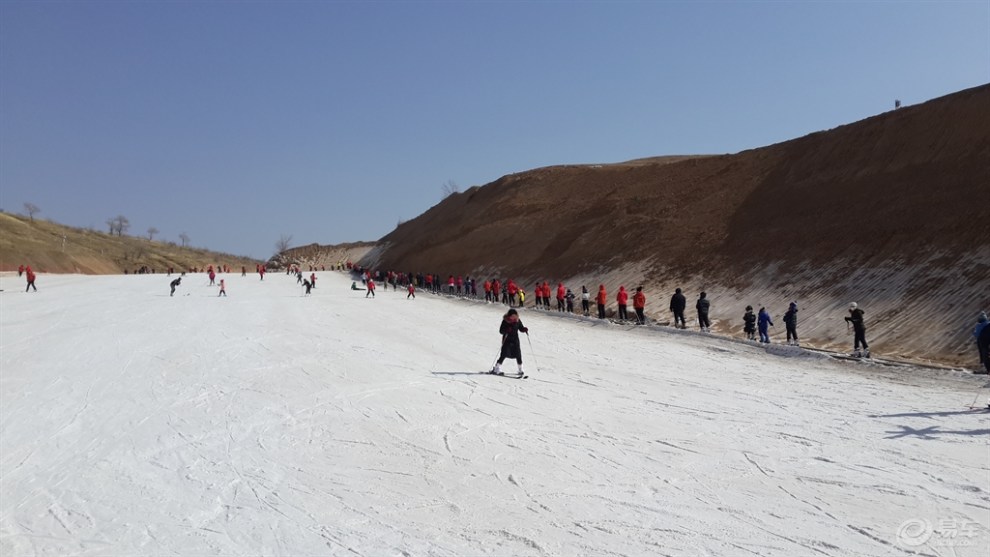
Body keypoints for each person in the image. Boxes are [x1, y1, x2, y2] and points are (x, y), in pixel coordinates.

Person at [492, 309, 529, 376]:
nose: (513, 317)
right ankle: (497, 368)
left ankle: (520, 369)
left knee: (518, 354)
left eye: (515, 316)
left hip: (515, 340)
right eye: (512, 316)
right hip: (507, 339)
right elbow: (501, 331)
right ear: (509, 316)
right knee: (504, 354)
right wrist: (506, 330)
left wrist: (524, 329)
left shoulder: (518, 320)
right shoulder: (505, 321)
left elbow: (520, 328)